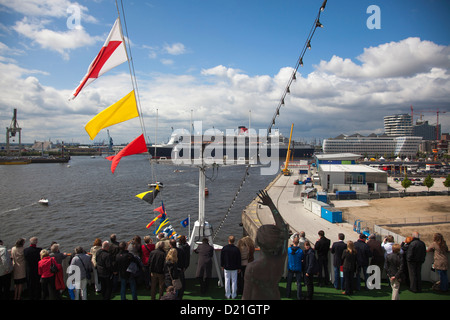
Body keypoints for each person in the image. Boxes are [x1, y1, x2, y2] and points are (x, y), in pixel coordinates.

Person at [242, 190, 289, 300]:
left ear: (258, 242)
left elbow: (246, 296)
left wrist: (270, 204)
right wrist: (271, 205)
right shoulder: (280, 259)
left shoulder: (252, 268)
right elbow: (284, 231)